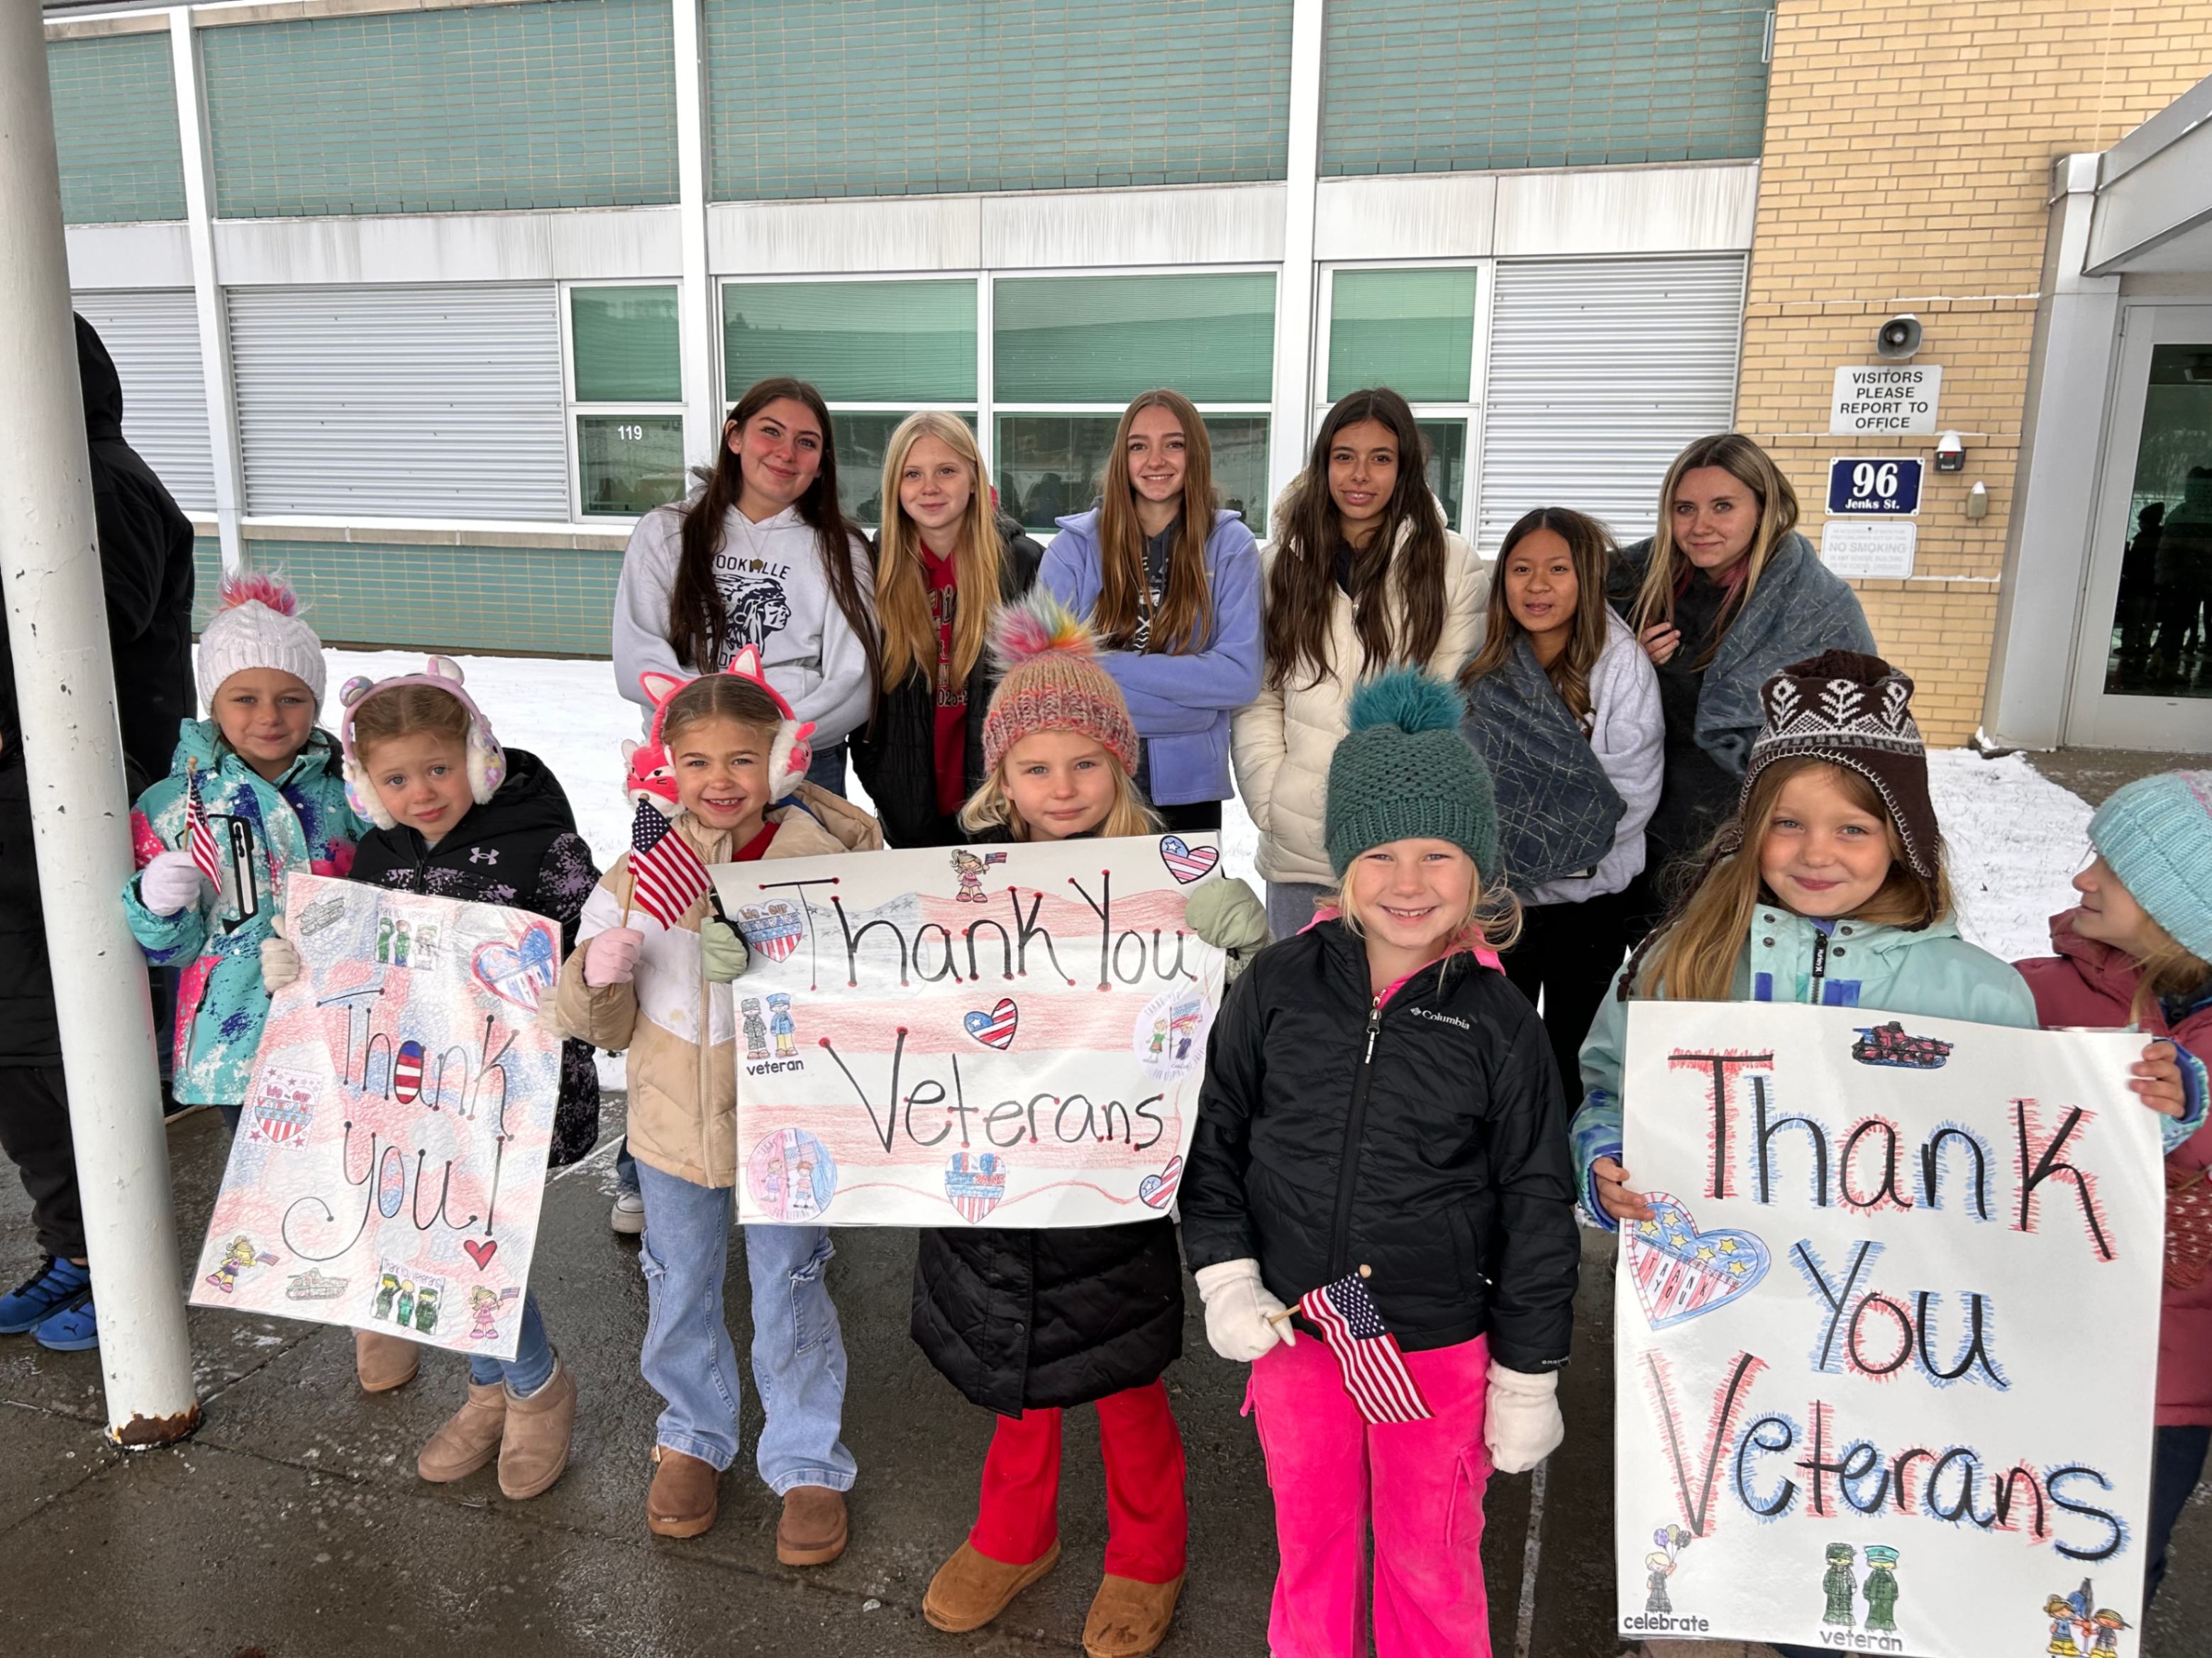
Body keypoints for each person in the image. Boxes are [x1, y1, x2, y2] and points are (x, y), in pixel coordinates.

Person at [1180, 668, 1579, 1658]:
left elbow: (1535, 1203)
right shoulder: (1276, 984)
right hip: (1296, 1337)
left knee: (1428, 1558)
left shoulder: (1498, 1025)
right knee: (1311, 1546)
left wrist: (1527, 1373)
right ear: (1342, 865)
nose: (1409, 883)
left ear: (1478, 867)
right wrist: (1225, 1271)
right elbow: (1218, 1134)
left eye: (1438, 853)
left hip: (1436, 1351)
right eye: (1382, 854)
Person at [555, 656, 879, 1557]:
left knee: (792, 1284)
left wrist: (774, 965)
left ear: (782, 761)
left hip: (788, 1125)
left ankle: (807, 1457)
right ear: (668, 768)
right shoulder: (637, 873)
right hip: (668, 1127)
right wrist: (596, 973)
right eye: (696, 761)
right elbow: (597, 1027)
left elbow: (868, 991)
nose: (719, 781)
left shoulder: (825, 861)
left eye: (742, 758)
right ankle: (693, 1432)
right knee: (679, 1283)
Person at [913, 594, 1185, 1658]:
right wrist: (760, 962)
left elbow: (1232, 1032)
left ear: (1119, 768)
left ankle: (1147, 1552)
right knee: (1009, 1363)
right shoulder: (948, 887)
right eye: (1036, 767)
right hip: (988, 1171)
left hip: (1110, 1178)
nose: (1061, 788)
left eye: (1085, 764)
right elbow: (877, 991)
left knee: (1120, 1377)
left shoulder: (1169, 887)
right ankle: (1011, 1534)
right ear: (1001, 778)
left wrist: (1240, 947)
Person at [257, 657, 599, 1477]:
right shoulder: (377, 855)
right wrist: (304, 967)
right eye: (398, 779)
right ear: (368, 788)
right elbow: (365, 971)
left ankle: (535, 1384)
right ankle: (491, 1389)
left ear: (480, 760)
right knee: (441, 1233)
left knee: (480, 1237)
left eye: (440, 769)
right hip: (417, 1091)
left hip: (514, 1086)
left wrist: (585, 973)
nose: (422, 792)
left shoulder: (542, 847)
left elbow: (592, 948)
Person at [0, 316, 199, 1354]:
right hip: (25, 809)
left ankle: (115, 1255)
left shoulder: (101, 484)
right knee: (23, 1050)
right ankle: (76, 1246)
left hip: (78, 807)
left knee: (61, 1046)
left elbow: (69, 645)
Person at [2011, 770, 2212, 1606]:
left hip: (2164, 1384)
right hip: (2026, 1347)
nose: (2079, 878)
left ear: (2181, 903)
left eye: (2112, 867)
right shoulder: (2033, 993)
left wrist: (2188, 1112)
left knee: (2112, 1571)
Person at [1234, 388, 1486, 938]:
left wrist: (1408, 821)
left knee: (1398, 1016)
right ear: (1324, 464)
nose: (1359, 475)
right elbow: (1259, 694)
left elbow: (1448, 703)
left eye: (1381, 458)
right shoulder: (1279, 564)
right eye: (1344, 456)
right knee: (1301, 1014)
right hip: (1300, 843)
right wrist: (1272, 802)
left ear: (1406, 468)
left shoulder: (1452, 565)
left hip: (1402, 850)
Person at [1613, 433, 1874, 939]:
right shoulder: (1630, 582)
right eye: (1684, 508)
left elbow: (1857, 740)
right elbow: (1562, 668)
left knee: (1720, 991)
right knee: (1637, 995)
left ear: (1764, 507)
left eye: (1723, 506)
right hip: (1633, 835)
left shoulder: (1819, 607)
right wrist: (1622, 658)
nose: (1700, 525)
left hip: (1753, 841)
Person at [1461, 507, 1661, 1105]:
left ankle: (1574, 1172)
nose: (1537, 585)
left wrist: (1552, 845)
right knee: (1501, 1044)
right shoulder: (1488, 660)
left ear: (1587, 578)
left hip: (1592, 900)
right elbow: (1474, 777)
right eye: (1520, 569)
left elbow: (1634, 786)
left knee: (1579, 1048)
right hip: (1505, 901)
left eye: (1557, 569)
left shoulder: (1620, 663)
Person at [611, 376, 878, 795]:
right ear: (734, 436)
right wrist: (710, 738)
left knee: (805, 863)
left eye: (806, 442)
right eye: (770, 431)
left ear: (822, 463)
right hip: (687, 760)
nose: (786, 453)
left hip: (799, 764)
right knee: (686, 865)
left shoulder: (841, 549)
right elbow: (639, 654)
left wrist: (777, 740)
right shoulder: (666, 532)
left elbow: (854, 679)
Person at [1039, 389, 1261, 836]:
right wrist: (1191, 708)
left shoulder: (1230, 545)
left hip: (1188, 786)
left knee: (1183, 908)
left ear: (1194, 453)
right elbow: (1052, 678)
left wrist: (1101, 667)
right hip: (1087, 778)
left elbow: (1238, 676)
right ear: (1122, 457)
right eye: (1139, 446)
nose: (1155, 460)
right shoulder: (1072, 550)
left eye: (1173, 444)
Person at [851, 411, 1042, 847]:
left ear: (974, 480)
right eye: (912, 474)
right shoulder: (873, 567)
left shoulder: (1022, 563)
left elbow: (1040, 687)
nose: (929, 487)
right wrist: (880, 775)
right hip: (907, 793)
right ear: (894, 488)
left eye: (947, 471)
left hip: (1001, 795)